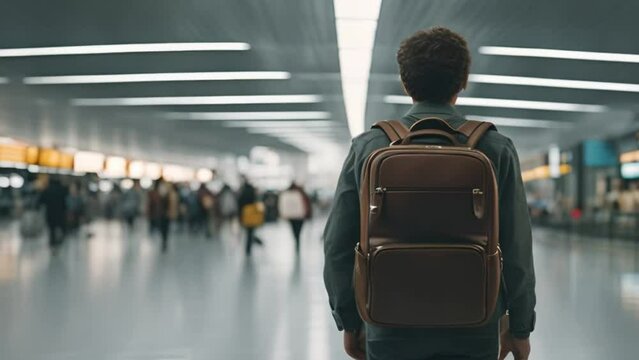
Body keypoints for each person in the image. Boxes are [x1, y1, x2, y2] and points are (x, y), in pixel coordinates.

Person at [323, 27, 536, 360]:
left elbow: (337, 244)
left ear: (405, 82)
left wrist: (349, 322)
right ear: (462, 81)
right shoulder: (495, 148)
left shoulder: (369, 147)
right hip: (474, 323)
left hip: (388, 322)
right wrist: (520, 326)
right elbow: (517, 246)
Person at [278, 182, 312, 253]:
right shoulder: (301, 193)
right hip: (300, 215)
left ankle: (296, 239)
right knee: (298, 230)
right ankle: (297, 239)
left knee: (294, 229)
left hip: (292, 216)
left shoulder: (286, 194)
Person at [39, 176, 69, 248]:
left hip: (50, 213)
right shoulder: (62, 189)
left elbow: (41, 201)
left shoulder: (47, 190)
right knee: (62, 227)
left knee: (51, 229)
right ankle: (60, 240)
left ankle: (52, 242)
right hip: (61, 212)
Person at [237, 177, 263, 255]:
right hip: (253, 213)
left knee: (248, 232)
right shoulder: (253, 192)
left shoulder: (242, 192)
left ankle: (248, 247)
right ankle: (251, 245)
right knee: (251, 231)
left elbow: (239, 204)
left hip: (245, 213)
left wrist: (239, 216)